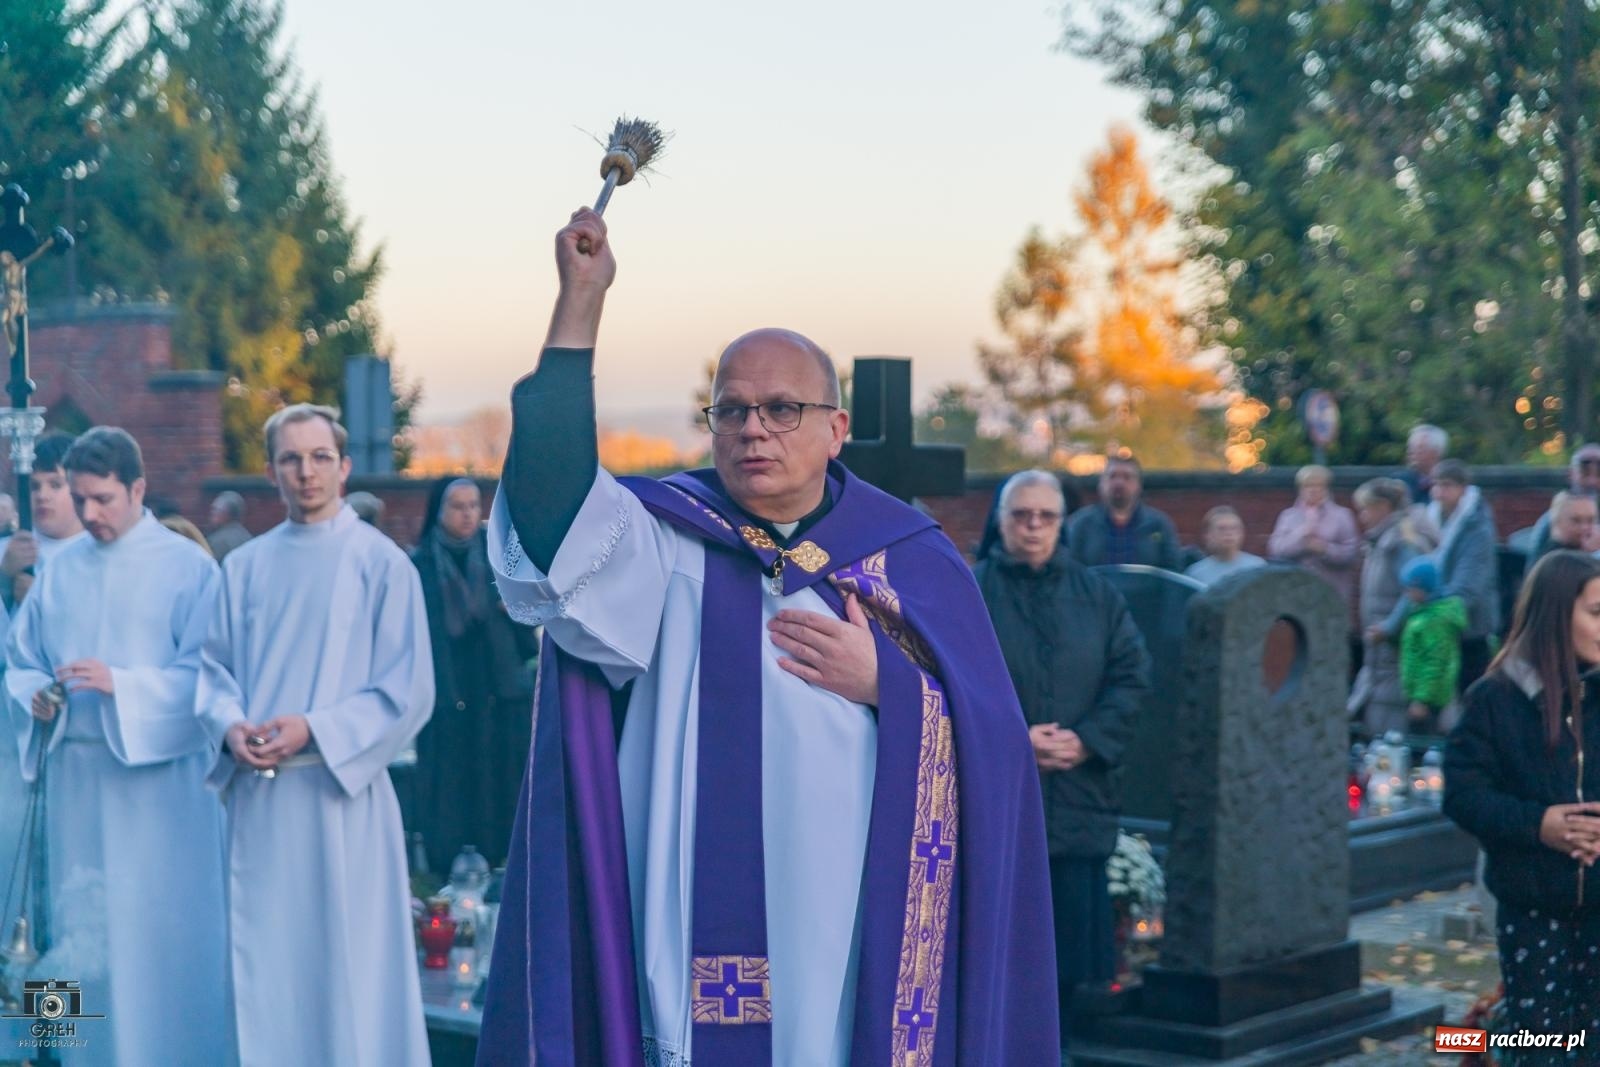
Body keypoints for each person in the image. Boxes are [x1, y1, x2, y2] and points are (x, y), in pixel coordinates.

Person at [477, 208, 1057, 1066]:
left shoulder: (912, 559)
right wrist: (581, 305)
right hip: (688, 938)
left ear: (836, 428)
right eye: (732, 409)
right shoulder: (663, 542)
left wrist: (891, 686)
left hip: (849, 941)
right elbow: (552, 512)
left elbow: (998, 749)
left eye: (783, 408)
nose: (754, 428)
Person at [197, 404, 433, 1067]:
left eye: (320, 457)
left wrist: (315, 729)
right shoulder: (244, 567)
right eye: (291, 459)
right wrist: (228, 724)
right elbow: (211, 670)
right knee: (268, 967)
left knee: (350, 969)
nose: (306, 471)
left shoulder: (382, 564)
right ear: (272, 471)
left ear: (344, 466)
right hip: (262, 802)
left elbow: (409, 689)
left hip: (341, 801)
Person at [4, 427, 229, 1066]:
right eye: (80, 499)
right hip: (76, 788)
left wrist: (124, 687)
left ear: (137, 488)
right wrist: (36, 696)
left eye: (102, 498)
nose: (89, 513)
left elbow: (211, 677)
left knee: (156, 942)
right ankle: (69, 1053)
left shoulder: (188, 568)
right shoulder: (59, 570)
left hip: (158, 793)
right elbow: (22, 661)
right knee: (76, 935)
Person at [972, 469, 1150, 1048]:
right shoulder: (970, 592)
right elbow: (943, 680)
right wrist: (1013, 741)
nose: (1033, 527)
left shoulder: (1097, 597)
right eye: (1021, 515)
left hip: (1077, 799)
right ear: (1000, 522)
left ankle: (1059, 1051)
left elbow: (1131, 676)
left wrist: (1086, 740)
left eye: (1045, 517)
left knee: (1069, 956)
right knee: (995, 951)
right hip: (997, 800)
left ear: (1061, 525)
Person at [1443, 550, 1600, 1050]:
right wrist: (1539, 825)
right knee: (1544, 1043)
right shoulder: (1496, 698)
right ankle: (1479, 1041)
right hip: (1533, 908)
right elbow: (1463, 796)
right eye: (1597, 613)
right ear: (1556, 616)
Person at [408, 476, 535, 872]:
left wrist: (513, 610)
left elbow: (531, 622)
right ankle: (448, 867)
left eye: (473, 506)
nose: (466, 514)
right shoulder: (420, 564)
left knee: (499, 778)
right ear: (439, 511)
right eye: (457, 506)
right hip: (447, 690)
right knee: (450, 782)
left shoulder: (500, 559)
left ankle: (501, 862)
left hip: (497, 688)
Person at [1349, 478, 1437, 737]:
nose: (1362, 517)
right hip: (1379, 648)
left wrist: (1389, 627)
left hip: (1394, 647)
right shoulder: (1379, 542)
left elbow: (1414, 593)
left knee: (1389, 715)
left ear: (1383, 507)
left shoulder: (1401, 542)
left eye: (1365, 509)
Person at [1428, 460, 1501, 691]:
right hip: (1441, 620)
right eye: (1436, 485)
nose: (1439, 492)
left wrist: (1439, 611)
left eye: (1447, 485)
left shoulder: (1477, 525)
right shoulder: (1432, 517)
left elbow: (1470, 581)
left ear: (1463, 488)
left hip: (1470, 626)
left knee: (1470, 691)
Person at [0, 432, 88, 611]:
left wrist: (40, 600)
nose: (42, 496)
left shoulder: (98, 550)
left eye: (55, 485)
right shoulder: (7, 550)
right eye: (34, 486)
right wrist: (4, 579)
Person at [1266, 465, 1362, 617]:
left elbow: (1351, 553)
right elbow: (1276, 550)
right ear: (1300, 489)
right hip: (1296, 592)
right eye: (1308, 485)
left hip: (1332, 592)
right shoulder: (1288, 516)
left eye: (1319, 485)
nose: (1313, 490)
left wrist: (1324, 549)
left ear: (1327, 488)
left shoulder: (1342, 515)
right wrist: (1301, 536)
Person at [1066, 455, 1181, 571]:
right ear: (1101, 483)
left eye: (1127, 477)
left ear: (1139, 485)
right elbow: (1070, 570)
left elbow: (1172, 571)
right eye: (1112, 476)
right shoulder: (1081, 524)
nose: (1119, 483)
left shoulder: (1159, 525)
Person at [1395, 557, 1465, 734]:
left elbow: (1435, 663)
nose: (1407, 594)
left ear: (1422, 588)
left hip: (1428, 700)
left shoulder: (1434, 621)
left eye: (1410, 588)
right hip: (1419, 694)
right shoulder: (1422, 614)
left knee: (1422, 742)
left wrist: (1422, 700)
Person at [1529, 444, 1600, 557]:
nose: (1592, 481)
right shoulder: (1552, 520)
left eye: (1599, 473)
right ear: (1571, 474)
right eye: (1585, 472)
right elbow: (1540, 565)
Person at [1184, 506, 1265, 587]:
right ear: (1208, 535)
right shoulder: (1195, 574)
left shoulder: (1258, 567)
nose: (1228, 533)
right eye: (1221, 529)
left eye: (1234, 528)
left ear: (1242, 533)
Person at [1535, 490, 1599, 561]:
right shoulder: (1550, 557)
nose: (1584, 527)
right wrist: (1589, 553)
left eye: (1590, 520)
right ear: (1557, 521)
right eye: (1576, 520)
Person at [1400, 423, 1448, 505]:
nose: (1410, 452)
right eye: (1410, 447)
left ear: (1436, 452)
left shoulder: (1451, 483)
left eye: (1419, 447)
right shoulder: (1401, 482)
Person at [207, 490, 251, 560]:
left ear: (227, 514)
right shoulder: (247, 536)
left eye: (215, 510)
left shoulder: (217, 541)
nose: (211, 515)